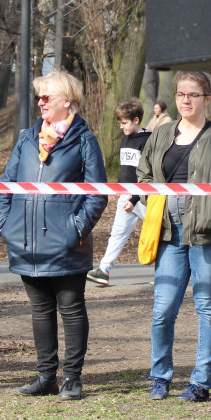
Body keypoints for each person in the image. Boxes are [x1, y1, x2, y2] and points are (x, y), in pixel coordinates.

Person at [0, 70, 107, 401]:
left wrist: (75, 229)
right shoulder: (27, 138)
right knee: (40, 310)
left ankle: (72, 377)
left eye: (47, 97)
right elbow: (7, 184)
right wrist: (6, 222)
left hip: (66, 244)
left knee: (71, 307)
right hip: (26, 242)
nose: (40, 102)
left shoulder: (84, 140)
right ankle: (46, 376)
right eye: (39, 97)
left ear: (68, 102)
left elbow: (97, 193)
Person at [138, 71, 211, 402]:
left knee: (206, 307)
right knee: (163, 309)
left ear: (207, 98)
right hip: (168, 234)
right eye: (180, 94)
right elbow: (144, 173)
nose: (185, 100)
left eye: (193, 94)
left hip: (207, 236)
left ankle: (201, 381)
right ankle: (160, 376)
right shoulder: (162, 134)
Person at [87, 98, 151, 287]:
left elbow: (147, 174)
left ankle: (169, 270)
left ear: (136, 120)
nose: (121, 126)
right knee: (117, 233)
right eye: (120, 123)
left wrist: (134, 198)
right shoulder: (125, 139)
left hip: (143, 197)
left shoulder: (147, 140)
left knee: (161, 232)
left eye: (124, 122)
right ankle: (104, 270)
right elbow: (126, 170)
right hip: (126, 196)